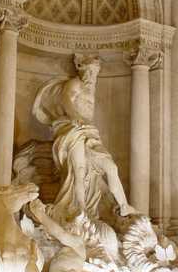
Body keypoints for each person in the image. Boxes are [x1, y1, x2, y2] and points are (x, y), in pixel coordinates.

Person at [33, 56, 136, 222]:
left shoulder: (90, 91)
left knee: (110, 166)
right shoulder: (75, 84)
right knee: (78, 170)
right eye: (88, 71)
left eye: (94, 72)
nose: (91, 75)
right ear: (81, 71)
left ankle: (124, 205)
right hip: (73, 128)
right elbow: (66, 99)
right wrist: (73, 114)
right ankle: (81, 211)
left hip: (89, 131)